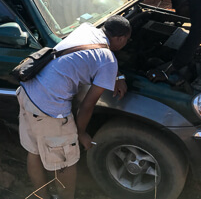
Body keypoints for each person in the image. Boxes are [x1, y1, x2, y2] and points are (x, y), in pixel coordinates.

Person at [17, 16, 131, 199]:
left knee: (35, 151)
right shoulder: (109, 61)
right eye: (126, 40)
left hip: (27, 92)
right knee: (65, 161)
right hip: (50, 110)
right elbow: (87, 105)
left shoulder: (86, 29)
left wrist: (117, 75)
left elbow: (94, 53)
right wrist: (80, 133)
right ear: (121, 38)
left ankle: (41, 196)